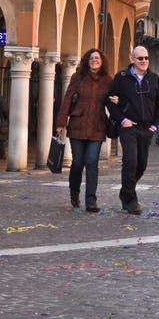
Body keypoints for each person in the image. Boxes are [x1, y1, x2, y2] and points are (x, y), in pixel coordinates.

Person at [56, 48, 113, 213]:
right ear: (87, 61)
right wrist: (61, 122)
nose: (94, 60)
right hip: (78, 125)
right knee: (78, 163)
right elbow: (67, 99)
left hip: (97, 127)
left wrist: (117, 102)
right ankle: (74, 193)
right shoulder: (78, 78)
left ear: (102, 61)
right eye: (91, 58)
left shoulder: (107, 80)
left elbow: (113, 101)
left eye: (97, 58)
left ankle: (91, 201)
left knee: (91, 162)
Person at [108, 46, 159, 215]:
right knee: (130, 162)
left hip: (146, 129)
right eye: (140, 58)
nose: (144, 61)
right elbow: (109, 100)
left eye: (146, 58)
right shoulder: (121, 78)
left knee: (141, 164)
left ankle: (126, 191)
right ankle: (131, 201)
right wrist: (122, 119)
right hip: (128, 127)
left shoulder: (153, 79)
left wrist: (154, 126)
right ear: (132, 59)